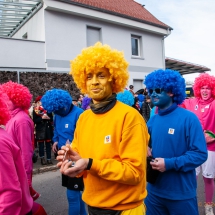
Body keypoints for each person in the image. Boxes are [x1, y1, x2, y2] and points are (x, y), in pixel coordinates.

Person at [57, 42, 149, 214]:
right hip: (92, 207)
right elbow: (79, 157)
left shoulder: (130, 117)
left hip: (125, 209)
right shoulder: (84, 117)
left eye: (101, 76)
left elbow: (134, 172)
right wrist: (70, 162)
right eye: (89, 76)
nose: (94, 82)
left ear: (113, 79)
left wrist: (91, 164)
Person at [144, 69, 207, 215]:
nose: (153, 93)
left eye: (158, 89)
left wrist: (169, 163)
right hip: (154, 193)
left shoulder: (189, 119)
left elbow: (200, 154)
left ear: (171, 91)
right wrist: (144, 148)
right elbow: (146, 145)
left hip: (181, 194)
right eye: (151, 90)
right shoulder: (152, 120)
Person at [41, 89, 86, 215]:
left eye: (58, 110)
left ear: (65, 104)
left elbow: (87, 138)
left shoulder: (80, 114)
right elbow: (56, 130)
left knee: (72, 196)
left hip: (76, 159)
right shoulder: (57, 115)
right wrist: (55, 141)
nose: (56, 113)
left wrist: (72, 145)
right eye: (54, 111)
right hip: (64, 159)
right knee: (75, 194)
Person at [1, 82, 43, 204]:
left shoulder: (21, 120)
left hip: (19, 173)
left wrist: (26, 180)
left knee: (21, 205)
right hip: (12, 170)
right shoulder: (12, 118)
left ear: (17, 100)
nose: (4, 102)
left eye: (7, 99)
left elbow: (26, 151)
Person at [181, 73, 215, 215]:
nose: (205, 91)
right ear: (198, 89)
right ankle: (190, 203)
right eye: (202, 88)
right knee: (191, 177)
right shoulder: (190, 102)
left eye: (208, 88)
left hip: (210, 148)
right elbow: (173, 107)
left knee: (208, 178)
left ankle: (208, 206)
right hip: (193, 148)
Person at [33, 96, 53, 165]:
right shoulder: (35, 110)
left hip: (47, 129)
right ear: (38, 102)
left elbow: (51, 118)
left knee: (48, 145)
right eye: (41, 101)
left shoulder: (48, 109)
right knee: (41, 145)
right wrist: (42, 118)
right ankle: (42, 159)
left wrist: (48, 118)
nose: (42, 102)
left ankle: (49, 159)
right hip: (40, 129)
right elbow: (35, 120)